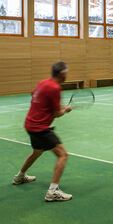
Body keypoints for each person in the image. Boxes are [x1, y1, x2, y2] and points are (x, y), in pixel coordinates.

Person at [13, 61, 73, 202]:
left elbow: (32, 94)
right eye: (66, 73)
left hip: (29, 125)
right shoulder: (55, 88)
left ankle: (19, 177)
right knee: (63, 155)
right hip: (40, 128)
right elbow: (57, 113)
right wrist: (65, 109)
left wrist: (47, 106)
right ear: (62, 74)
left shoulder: (43, 82)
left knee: (37, 151)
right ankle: (53, 192)